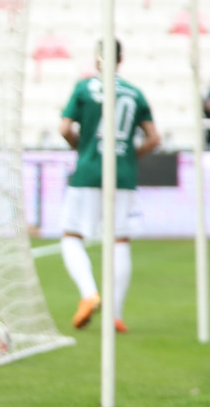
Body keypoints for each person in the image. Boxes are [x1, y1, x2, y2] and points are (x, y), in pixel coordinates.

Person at [59, 39, 159, 334]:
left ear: (97, 59)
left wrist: (81, 147)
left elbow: (64, 128)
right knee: (120, 241)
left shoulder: (85, 88)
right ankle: (115, 314)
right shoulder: (135, 93)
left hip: (89, 170)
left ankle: (90, 293)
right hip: (123, 174)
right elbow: (154, 138)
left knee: (72, 235)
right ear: (121, 59)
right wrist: (129, 155)